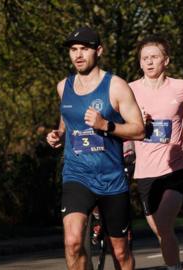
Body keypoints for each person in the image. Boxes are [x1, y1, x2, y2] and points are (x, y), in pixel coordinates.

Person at [46, 26, 144, 270]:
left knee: (120, 253)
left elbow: (139, 130)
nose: (78, 55)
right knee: (72, 242)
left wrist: (106, 125)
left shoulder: (116, 86)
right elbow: (67, 121)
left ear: (98, 51)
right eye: (73, 50)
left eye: (84, 49)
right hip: (77, 174)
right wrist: (58, 135)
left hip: (111, 178)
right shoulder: (63, 87)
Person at [129, 36, 183, 270]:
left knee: (163, 223)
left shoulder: (181, 87)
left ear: (166, 60)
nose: (149, 62)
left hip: (175, 167)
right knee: (161, 232)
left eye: (154, 57)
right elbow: (118, 124)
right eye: (145, 58)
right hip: (144, 172)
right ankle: (175, 267)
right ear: (140, 63)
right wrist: (134, 123)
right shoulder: (129, 90)